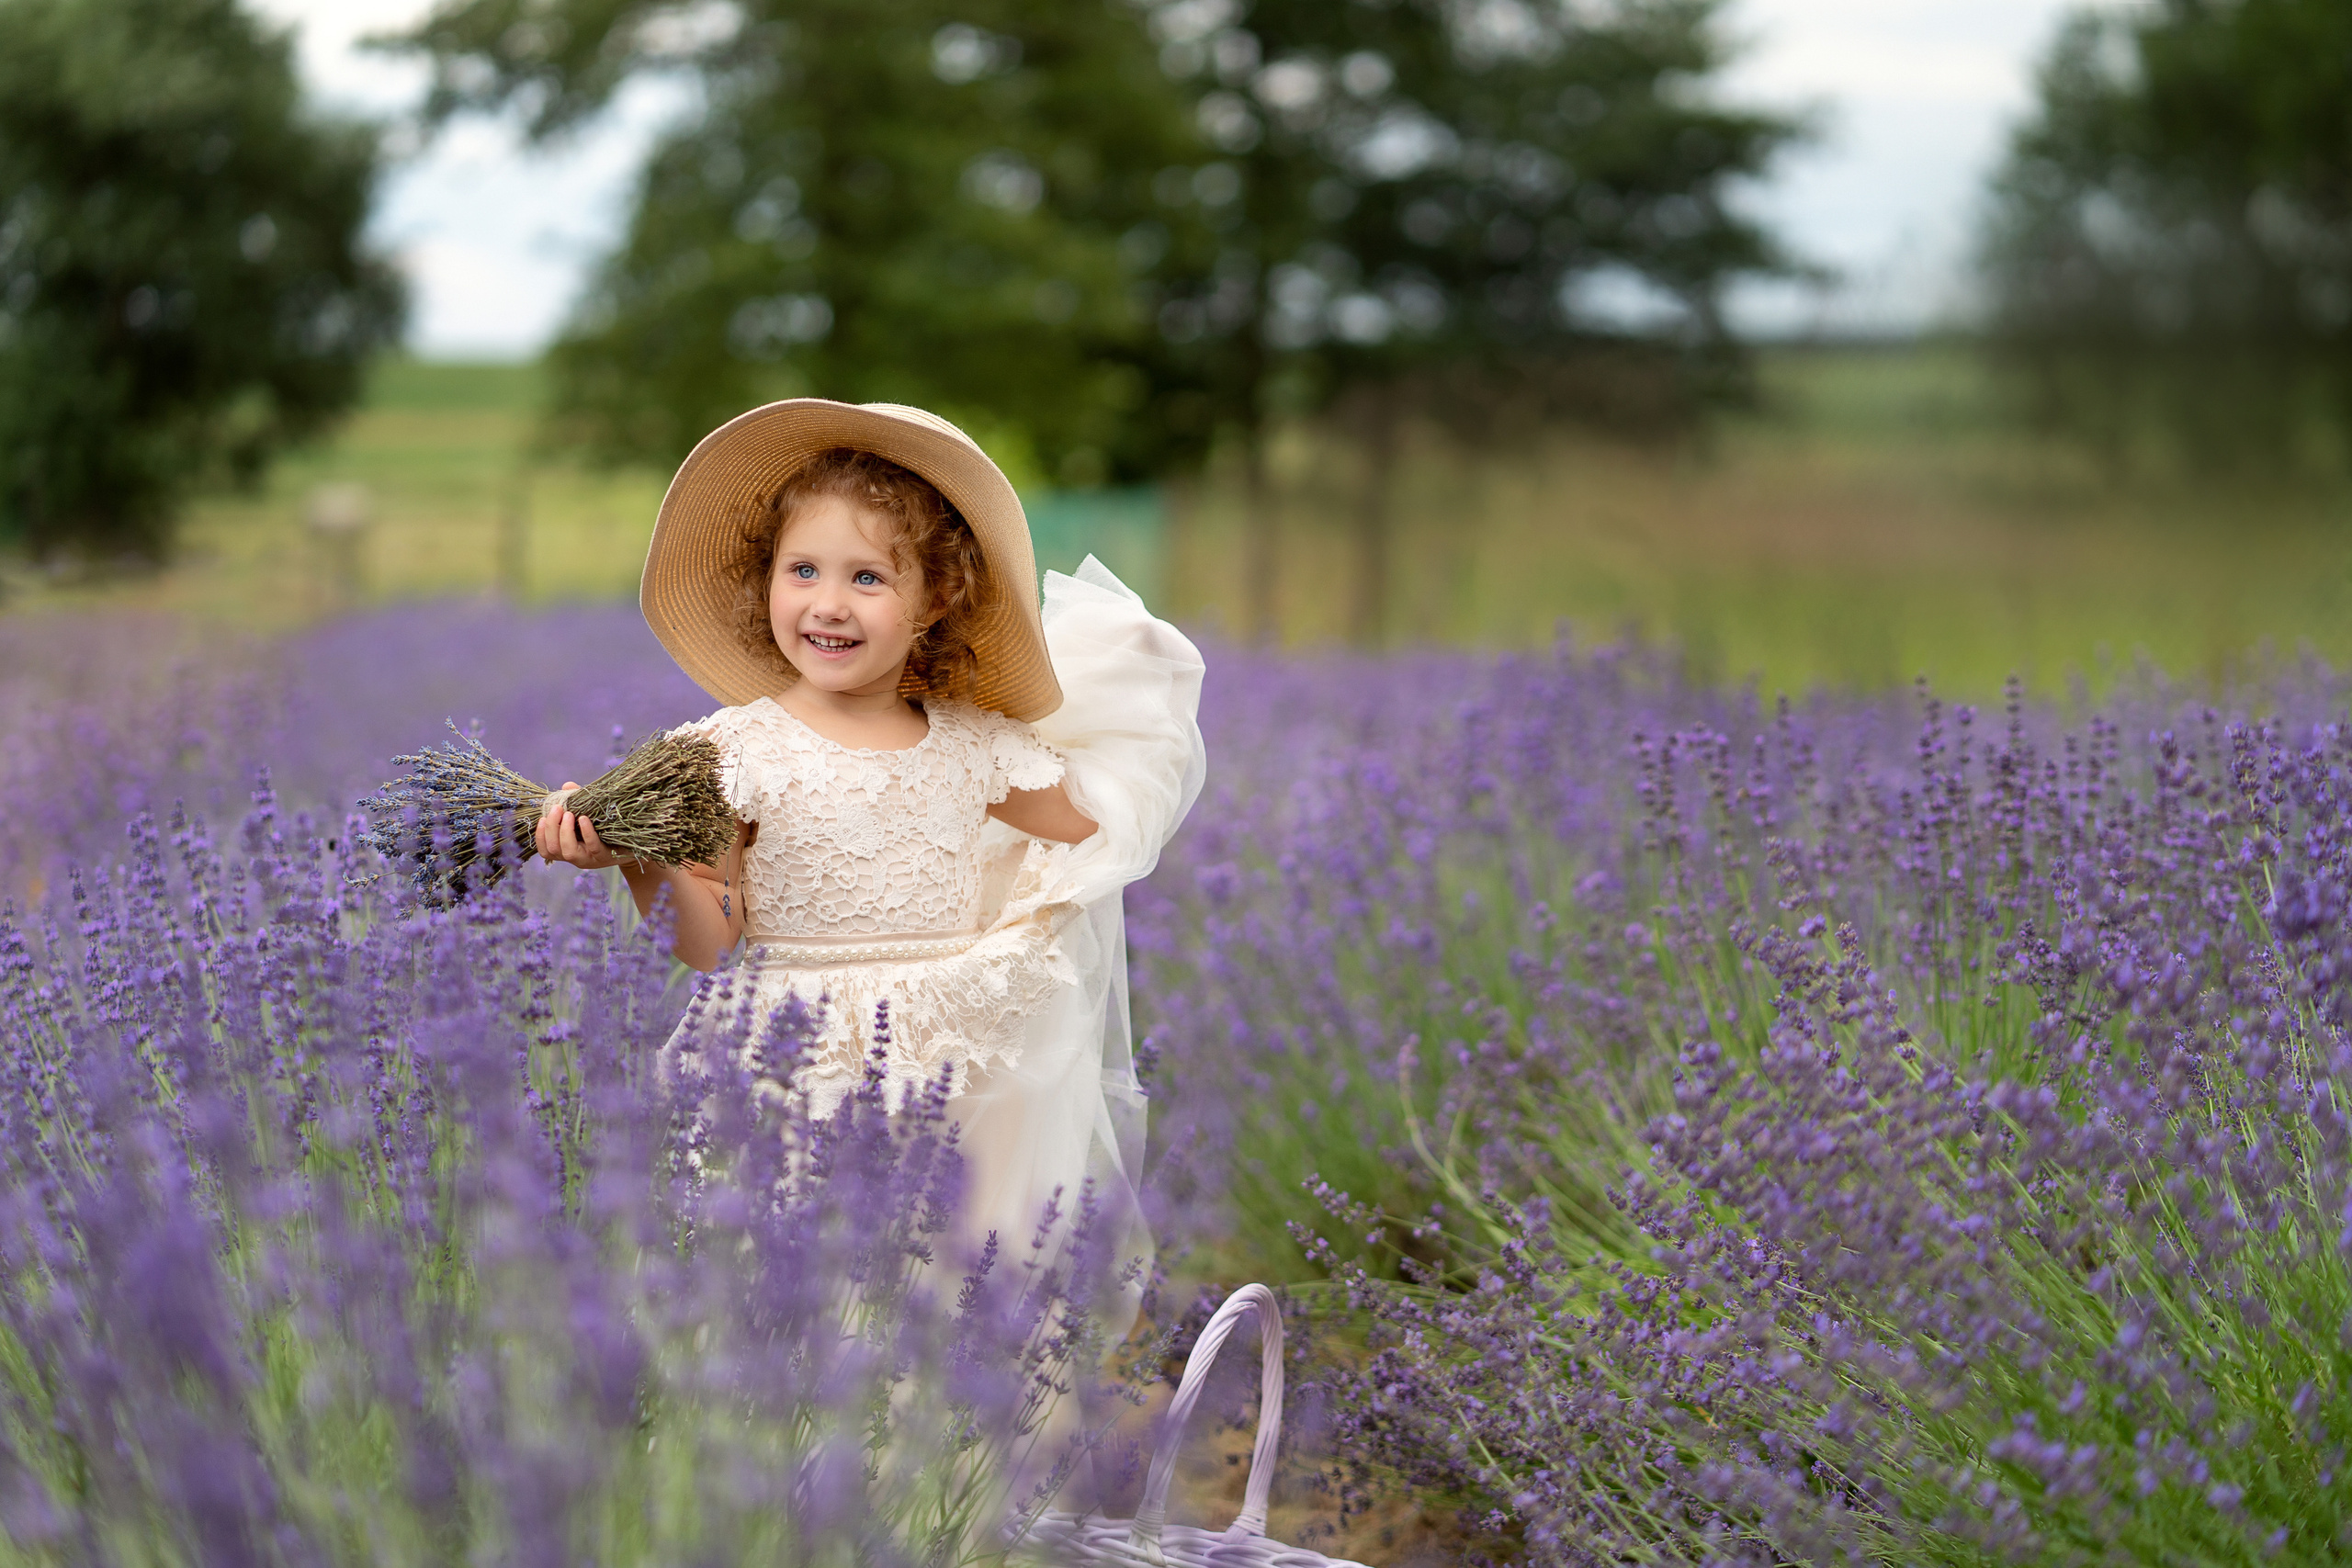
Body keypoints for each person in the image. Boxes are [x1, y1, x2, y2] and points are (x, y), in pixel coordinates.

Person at [534, 399, 1204, 1292]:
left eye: (868, 578)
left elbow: (1100, 821)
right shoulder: (728, 753)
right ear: (766, 581)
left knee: (953, 1289)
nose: (828, 604)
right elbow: (712, 940)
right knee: (806, 1294)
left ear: (935, 601)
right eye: (803, 570)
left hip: (954, 1069)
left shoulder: (973, 746)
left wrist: (1132, 685)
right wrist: (635, 853)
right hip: (793, 1070)